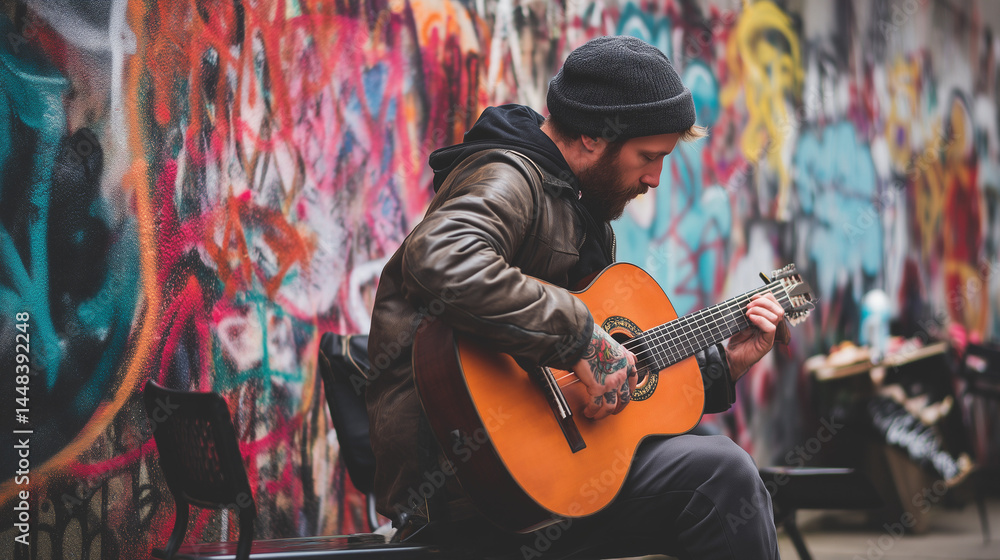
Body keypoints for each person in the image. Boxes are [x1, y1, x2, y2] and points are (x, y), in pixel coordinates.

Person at [366, 35, 787, 559]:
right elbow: (441, 257)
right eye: (647, 157)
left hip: (546, 474)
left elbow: (591, 389)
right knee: (720, 478)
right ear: (591, 138)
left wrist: (722, 367)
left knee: (710, 463)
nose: (655, 178)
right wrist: (583, 338)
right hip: (471, 489)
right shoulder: (510, 178)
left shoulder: (577, 207)